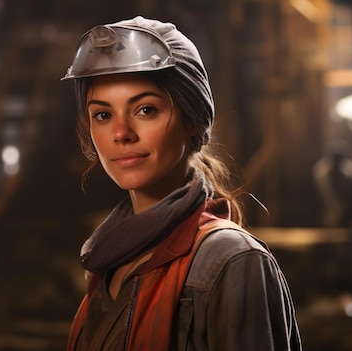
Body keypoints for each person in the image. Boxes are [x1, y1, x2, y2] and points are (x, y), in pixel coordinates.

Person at [61, 16, 302, 350]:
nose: (121, 133)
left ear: (192, 118)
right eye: (103, 115)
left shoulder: (230, 260)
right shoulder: (107, 261)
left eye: (145, 110)